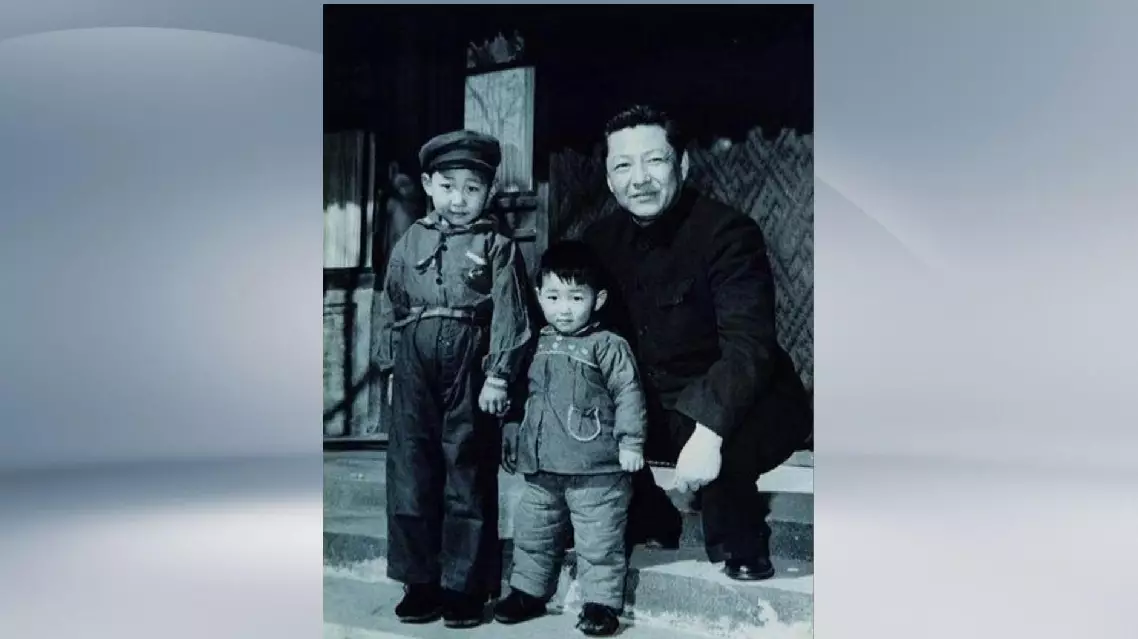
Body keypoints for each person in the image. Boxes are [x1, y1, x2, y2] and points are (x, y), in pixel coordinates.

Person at [582, 105, 813, 581]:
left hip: (749, 397)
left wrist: (709, 433)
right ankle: (649, 515)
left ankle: (742, 541)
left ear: (682, 165)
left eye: (655, 161)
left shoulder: (727, 233)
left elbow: (749, 347)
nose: (640, 179)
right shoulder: (598, 243)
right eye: (623, 166)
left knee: (729, 441)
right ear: (609, 179)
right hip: (657, 405)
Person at [374, 129, 534, 627]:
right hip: (413, 364)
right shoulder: (410, 240)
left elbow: (510, 314)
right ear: (428, 185)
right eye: (447, 186)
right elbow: (390, 302)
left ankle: (464, 588)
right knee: (410, 471)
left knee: (466, 470)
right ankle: (419, 583)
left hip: (470, 365)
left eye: (472, 188)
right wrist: (390, 369)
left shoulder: (498, 246)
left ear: (489, 191)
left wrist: (499, 376)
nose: (458, 199)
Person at [494, 240, 647, 637]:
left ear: (598, 300)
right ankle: (527, 591)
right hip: (542, 467)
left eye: (576, 298)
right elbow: (523, 395)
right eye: (554, 297)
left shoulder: (608, 345)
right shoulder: (536, 343)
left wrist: (631, 442)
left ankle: (601, 604)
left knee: (598, 540)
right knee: (533, 532)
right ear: (538, 296)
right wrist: (512, 430)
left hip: (596, 470)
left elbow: (629, 394)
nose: (564, 308)